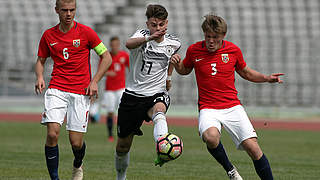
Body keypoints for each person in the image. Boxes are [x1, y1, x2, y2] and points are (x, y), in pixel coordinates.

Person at [170, 14, 284, 180]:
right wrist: (177, 64)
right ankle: (231, 170)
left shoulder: (233, 50)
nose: (210, 40)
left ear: (223, 36)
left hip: (232, 106)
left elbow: (245, 72)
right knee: (211, 137)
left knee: (253, 148)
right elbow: (185, 70)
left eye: (215, 37)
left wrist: (266, 78)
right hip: (208, 108)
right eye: (207, 36)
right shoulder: (194, 50)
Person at [34, 0, 112, 179]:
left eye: (72, 10)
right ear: (56, 10)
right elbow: (40, 60)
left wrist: (95, 81)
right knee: (52, 133)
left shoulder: (86, 32)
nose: (68, 14)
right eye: (64, 10)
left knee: (76, 143)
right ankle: (55, 178)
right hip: (57, 89)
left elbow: (106, 57)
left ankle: (78, 164)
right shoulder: (48, 35)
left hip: (80, 92)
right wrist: (39, 77)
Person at [114, 4, 181, 180]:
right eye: (153, 24)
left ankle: (163, 147)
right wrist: (150, 38)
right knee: (122, 147)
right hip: (133, 95)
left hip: (156, 93)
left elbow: (171, 59)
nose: (157, 28)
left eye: (160, 25)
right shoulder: (142, 35)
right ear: (147, 24)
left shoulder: (174, 43)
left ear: (166, 23)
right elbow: (128, 44)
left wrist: (169, 77)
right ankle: (121, 177)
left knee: (159, 111)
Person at [102, 36, 129, 142]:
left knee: (123, 111)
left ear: (119, 45)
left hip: (121, 88)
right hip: (109, 89)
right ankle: (110, 135)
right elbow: (102, 70)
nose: (115, 47)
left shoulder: (124, 56)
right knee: (110, 112)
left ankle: (122, 133)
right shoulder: (106, 56)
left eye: (116, 45)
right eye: (113, 45)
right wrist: (108, 72)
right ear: (110, 45)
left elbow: (130, 68)